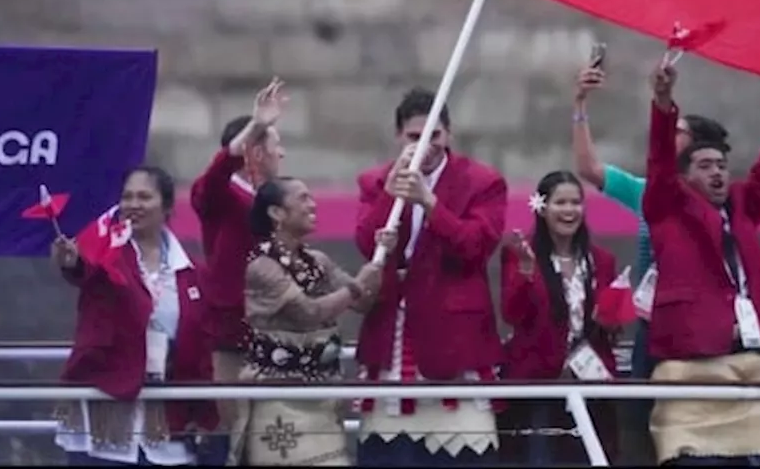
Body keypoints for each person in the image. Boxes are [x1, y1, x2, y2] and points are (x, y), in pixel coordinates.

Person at [641, 51, 760, 467]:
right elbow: (658, 162)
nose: (717, 173)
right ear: (685, 175)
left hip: (752, 380)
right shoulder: (666, 206)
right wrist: (663, 103)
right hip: (693, 384)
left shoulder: (744, 204)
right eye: (705, 166)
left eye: (722, 165)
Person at [572, 63, 729, 465]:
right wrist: (580, 105)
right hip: (649, 324)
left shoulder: (718, 206)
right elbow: (589, 169)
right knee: (640, 417)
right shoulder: (648, 193)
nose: (669, 135)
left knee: (692, 423)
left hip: (696, 330)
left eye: (679, 133)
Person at [354, 88, 508, 466]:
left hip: (454, 335)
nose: (426, 145)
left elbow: (476, 246)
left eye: (434, 135)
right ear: (398, 137)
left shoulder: (483, 182)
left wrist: (430, 203)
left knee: (465, 449)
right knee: (391, 452)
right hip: (393, 333)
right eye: (414, 136)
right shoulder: (375, 181)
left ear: (449, 134)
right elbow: (364, 243)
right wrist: (391, 195)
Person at [52, 165, 216, 466]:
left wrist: (203, 412)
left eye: (144, 197)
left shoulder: (191, 272)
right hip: (107, 410)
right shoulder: (104, 252)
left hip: (168, 416)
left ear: (166, 207)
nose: (133, 205)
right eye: (127, 197)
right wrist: (71, 262)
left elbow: (202, 346)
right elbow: (82, 270)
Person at [231, 177, 395, 466]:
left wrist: (382, 260)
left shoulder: (317, 261)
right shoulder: (262, 267)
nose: (312, 204)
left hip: (322, 398)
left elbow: (363, 303)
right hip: (278, 397)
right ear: (277, 213)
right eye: (302, 198)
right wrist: (358, 285)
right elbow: (309, 314)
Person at [498, 170, 623, 466]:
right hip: (539, 382)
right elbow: (512, 314)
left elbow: (614, 328)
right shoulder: (519, 254)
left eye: (576, 203)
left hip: (591, 381)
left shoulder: (602, 260)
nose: (569, 210)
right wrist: (527, 273)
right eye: (561, 203)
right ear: (542, 208)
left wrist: (612, 320)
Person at [189, 77, 287, 446]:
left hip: (276, 333)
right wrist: (259, 123)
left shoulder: (277, 204)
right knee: (240, 438)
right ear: (256, 152)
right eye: (277, 146)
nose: (283, 154)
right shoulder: (222, 197)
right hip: (233, 336)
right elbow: (214, 176)